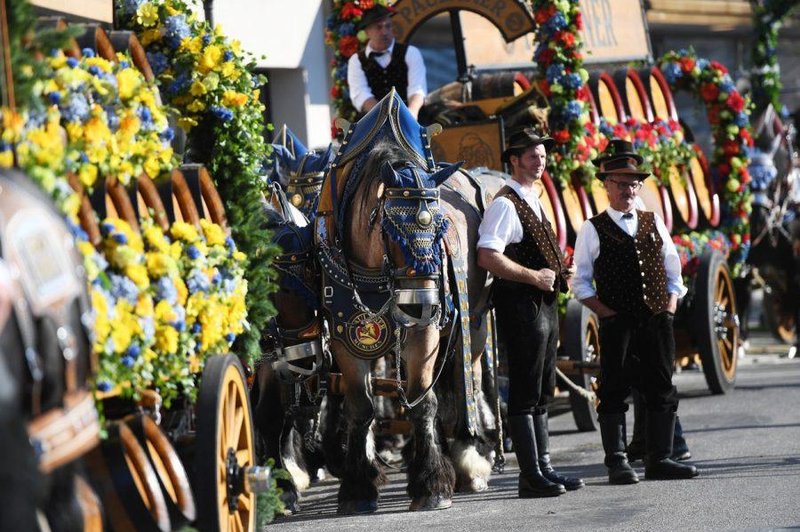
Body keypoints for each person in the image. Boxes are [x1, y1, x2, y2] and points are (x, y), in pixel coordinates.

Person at [572, 139, 699, 484]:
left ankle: (660, 459)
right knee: (613, 390)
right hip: (619, 324)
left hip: (657, 321)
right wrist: (605, 313)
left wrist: (670, 305)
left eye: (633, 183)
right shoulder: (592, 228)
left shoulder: (652, 220)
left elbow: (673, 268)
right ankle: (617, 463)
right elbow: (579, 282)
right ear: (606, 185)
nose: (627, 189)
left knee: (661, 387)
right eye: (620, 182)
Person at [477, 128, 584, 498]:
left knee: (541, 391)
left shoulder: (533, 198)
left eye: (542, 155)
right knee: (525, 391)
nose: (540, 161)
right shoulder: (506, 203)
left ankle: (546, 469)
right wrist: (533, 276)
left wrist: (559, 270)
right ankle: (530, 476)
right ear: (514, 161)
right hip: (522, 309)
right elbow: (488, 255)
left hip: (544, 308)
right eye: (532, 156)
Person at [347, 5, 427, 118]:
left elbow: (417, 88)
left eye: (388, 26)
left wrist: (411, 115)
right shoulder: (356, 61)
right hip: (374, 122)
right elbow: (360, 94)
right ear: (367, 32)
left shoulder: (411, 53)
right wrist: (384, 119)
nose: (385, 32)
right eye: (378, 27)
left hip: (410, 117)